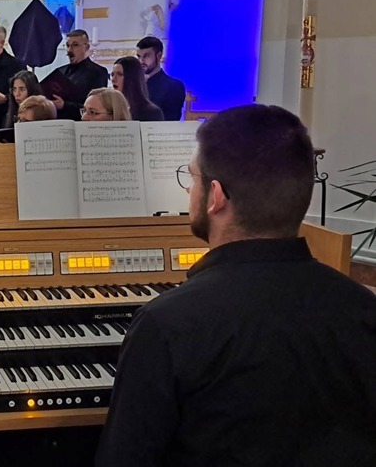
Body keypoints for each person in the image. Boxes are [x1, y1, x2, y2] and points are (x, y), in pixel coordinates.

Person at [96, 104, 376, 466]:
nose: (189, 191)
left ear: (216, 196)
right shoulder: (364, 308)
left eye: (191, 178)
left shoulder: (167, 324)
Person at [52, 29, 110, 120]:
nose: (69, 50)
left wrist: (64, 105)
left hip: (83, 122)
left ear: (86, 47)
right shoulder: (59, 72)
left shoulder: (98, 72)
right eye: (68, 45)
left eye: (75, 45)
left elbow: (98, 106)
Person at [137, 36, 185, 122]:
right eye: (139, 57)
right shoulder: (134, 85)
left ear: (159, 56)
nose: (141, 61)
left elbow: (171, 120)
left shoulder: (174, 86)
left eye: (146, 56)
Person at [112, 56, 163, 121]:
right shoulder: (110, 110)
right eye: (112, 74)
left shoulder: (151, 112)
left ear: (132, 78)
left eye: (120, 74)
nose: (113, 79)